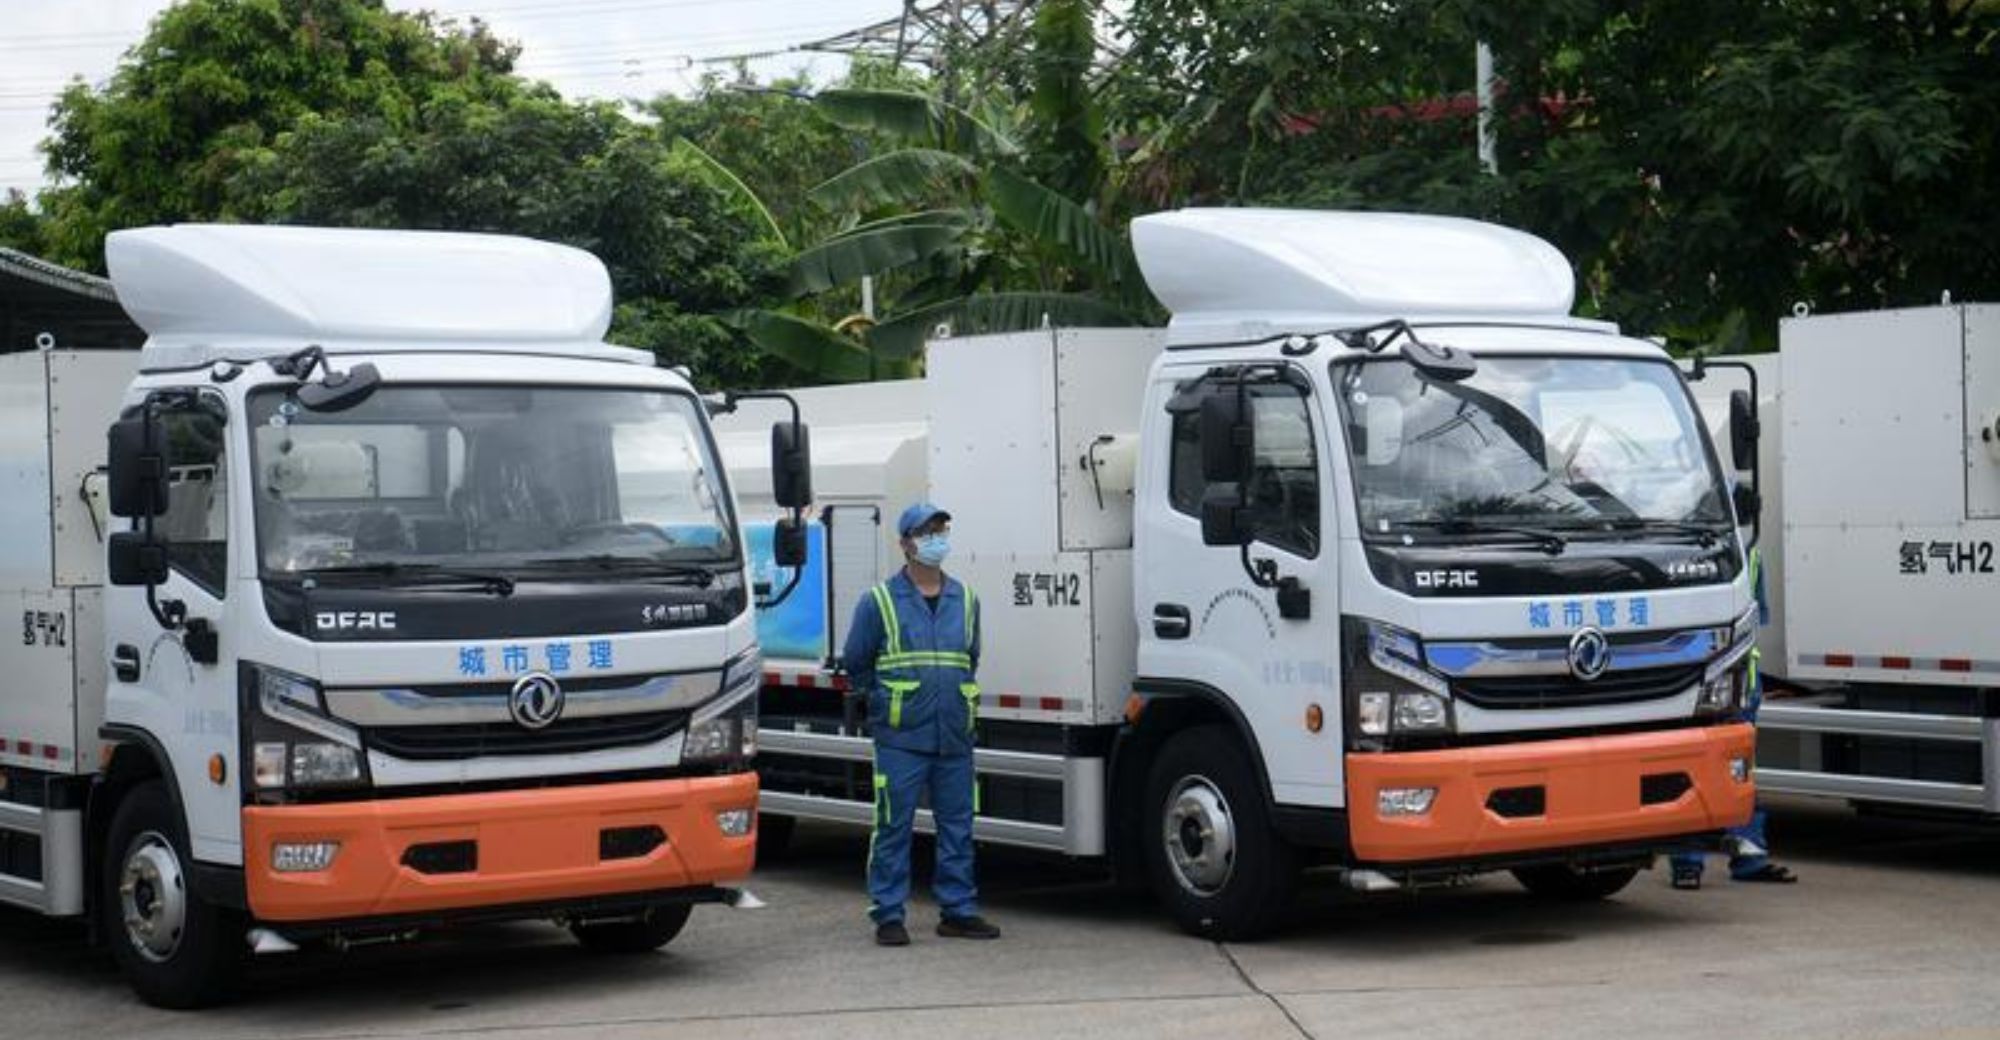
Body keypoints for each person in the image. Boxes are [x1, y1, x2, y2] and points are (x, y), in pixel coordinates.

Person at [842, 502, 1001, 946]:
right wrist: (885, 701)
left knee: (959, 824)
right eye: (926, 532)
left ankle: (958, 911)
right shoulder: (879, 602)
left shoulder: (966, 599)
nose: (936, 539)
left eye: (941, 530)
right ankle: (888, 915)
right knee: (893, 825)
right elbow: (857, 663)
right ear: (905, 543)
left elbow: (970, 658)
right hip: (900, 736)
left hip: (953, 733)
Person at [1671, 546, 1798, 888]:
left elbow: (1756, 619)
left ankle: (1749, 856)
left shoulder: (1750, 551)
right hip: (1700, 684)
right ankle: (1687, 861)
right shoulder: (1679, 549)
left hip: (1738, 684)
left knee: (1740, 773)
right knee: (1692, 772)